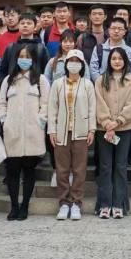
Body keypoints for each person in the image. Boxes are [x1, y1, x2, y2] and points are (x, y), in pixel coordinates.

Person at [0, 44, 50, 220]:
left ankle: (25, 206)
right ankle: (14, 206)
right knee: (12, 172)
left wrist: (41, 120)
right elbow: (1, 103)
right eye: (21, 56)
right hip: (12, 132)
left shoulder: (40, 79)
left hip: (33, 133)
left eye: (28, 57)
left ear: (33, 59)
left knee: (29, 171)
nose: (24, 60)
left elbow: (46, 104)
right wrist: (4, 120)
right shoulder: (8, 79)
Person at [47, 50, 96, 220]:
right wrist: (52, 130)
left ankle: (76, 203)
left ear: (82, 65)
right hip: (61, 132)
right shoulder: (57, 84)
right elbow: (52, 108)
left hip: (81, 132)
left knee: (79, 170)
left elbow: (92, 109)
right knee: (61, 170)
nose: (74, 64)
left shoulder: (87, 84)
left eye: (77, 61)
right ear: (66, 64)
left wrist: (92, 130)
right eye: (71, 61)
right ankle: (63, 203)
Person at [94, 47, 131, 219]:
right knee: (105, 167)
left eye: (120, 58)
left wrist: (118, 121)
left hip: (124, 129)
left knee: (120, 166)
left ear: (125, 61)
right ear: (109, 61)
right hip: (104, 130)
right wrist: (107, 123)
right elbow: (99, 103)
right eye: (113, 58)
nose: (117, 61)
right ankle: (105, 204)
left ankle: (119, 204)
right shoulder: (101, 80)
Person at [0, 12, 42, 82]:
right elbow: (2, 69)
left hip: (35, 85)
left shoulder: (40, 48)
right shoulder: (11, 47)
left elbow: (45, 70)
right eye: (22, 23)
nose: (25, 25)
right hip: (13, 84)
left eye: (29, 23)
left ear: (35, 27)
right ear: (18, 26)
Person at [89, 17, 131, 82]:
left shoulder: (130, 51)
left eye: (120, 29)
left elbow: (130, 72)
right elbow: (93, 70)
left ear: (124, 32)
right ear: (109, 30)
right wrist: (102, 84)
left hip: (123, 86)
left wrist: (118, 85)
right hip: (101, 85)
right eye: (113, 28)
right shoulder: (99, 49)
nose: (116, 31)